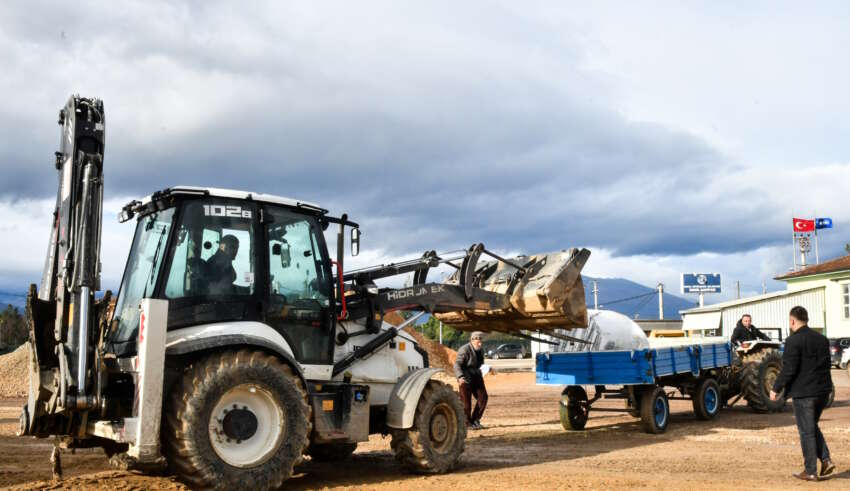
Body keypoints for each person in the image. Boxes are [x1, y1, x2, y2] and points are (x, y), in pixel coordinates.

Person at [770, 306, 834, 481]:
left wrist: (776, 388)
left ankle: (811, 470)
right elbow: (826, 365)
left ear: (792, 321)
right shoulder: (822, 339)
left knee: (806, 431)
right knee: (811, 426)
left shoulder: (793, 341)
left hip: (804, 393)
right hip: (823, 392)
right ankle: (826, 460)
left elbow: (789, 369)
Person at [454, 331, 488, 430]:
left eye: (481, 341)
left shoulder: (480, 350)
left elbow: (480, 364)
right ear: (472, 340)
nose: (480, 344)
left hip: (476, 376)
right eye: (478, 341)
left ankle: (475, 420)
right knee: (466, 402)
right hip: (465, 378)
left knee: (483, 397)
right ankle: (467, 423)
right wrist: (460, 377)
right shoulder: (464, 349)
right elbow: (457, 364)